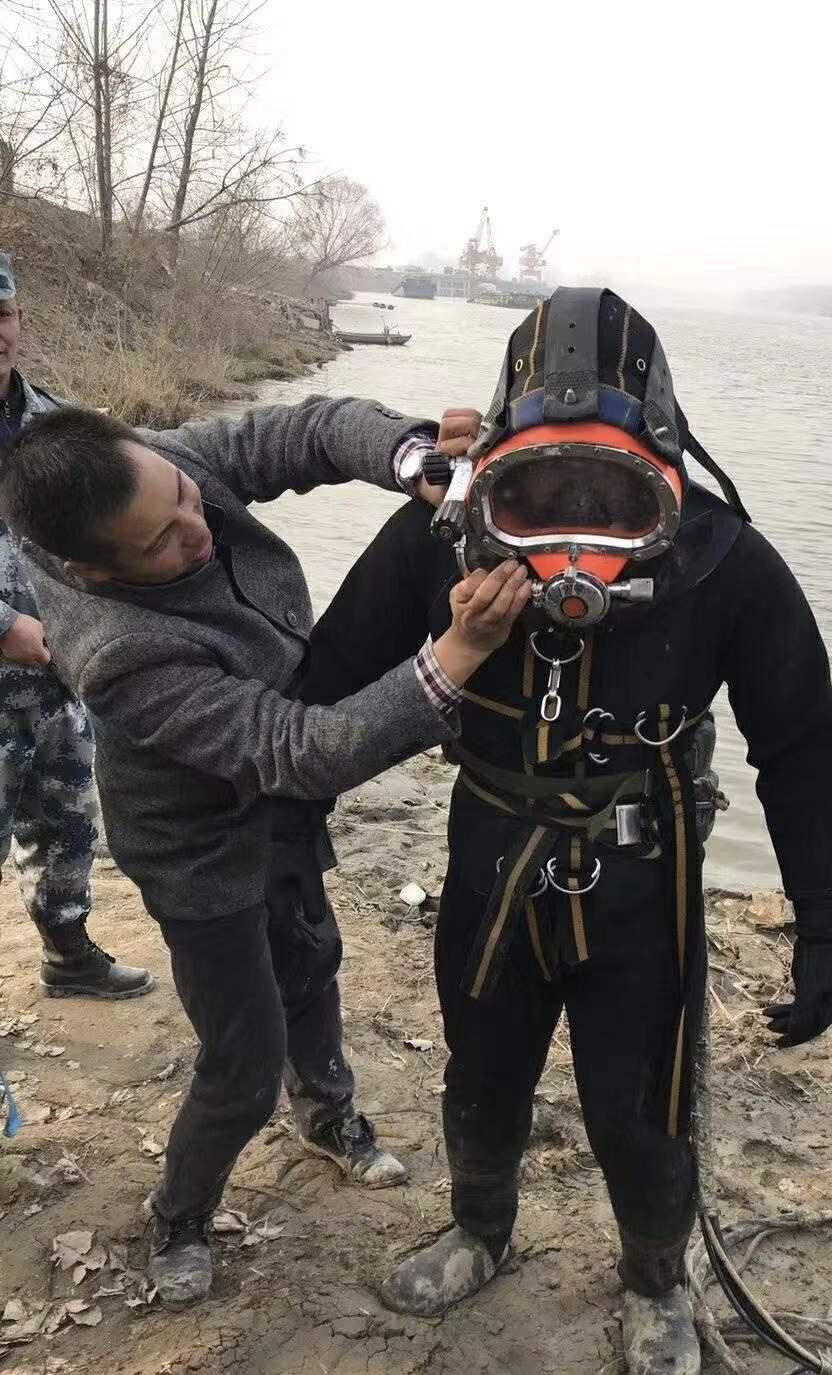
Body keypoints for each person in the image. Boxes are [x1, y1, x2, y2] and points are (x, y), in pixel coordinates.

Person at [299, 288, 832, 1375]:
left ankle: (655, 1278)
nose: (570, 537)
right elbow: (326, 686)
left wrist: (822, 924)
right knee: (481, 1062)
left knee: (640, 1099)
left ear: (666, 472)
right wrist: (288, 840)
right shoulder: (433, 540)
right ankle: (480, 1229)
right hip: (490, 850)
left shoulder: (722, 559)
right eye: (537, 493)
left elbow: (799, 744)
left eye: (608, 497)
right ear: (492, 471)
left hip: (645, 870)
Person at [0, 394, 530, 1307]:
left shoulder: (158, 470)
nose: (197, 530)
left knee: (310, 959)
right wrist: (459, 652)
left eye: (186, 500)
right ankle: (179, 1212)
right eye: (163, 543)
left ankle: (325, 1112)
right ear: (92, 569)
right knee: (244, 1061)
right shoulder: (119, 653)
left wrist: (412, 458)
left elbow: (304, 432)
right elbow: (305, 750)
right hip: (199, 848)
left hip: (277, 790)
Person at [0, 250, 152, 999]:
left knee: (64, 820)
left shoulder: (57, 427)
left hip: (56, 680)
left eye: (1, 314)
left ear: (20, 320)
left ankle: (68, 954)